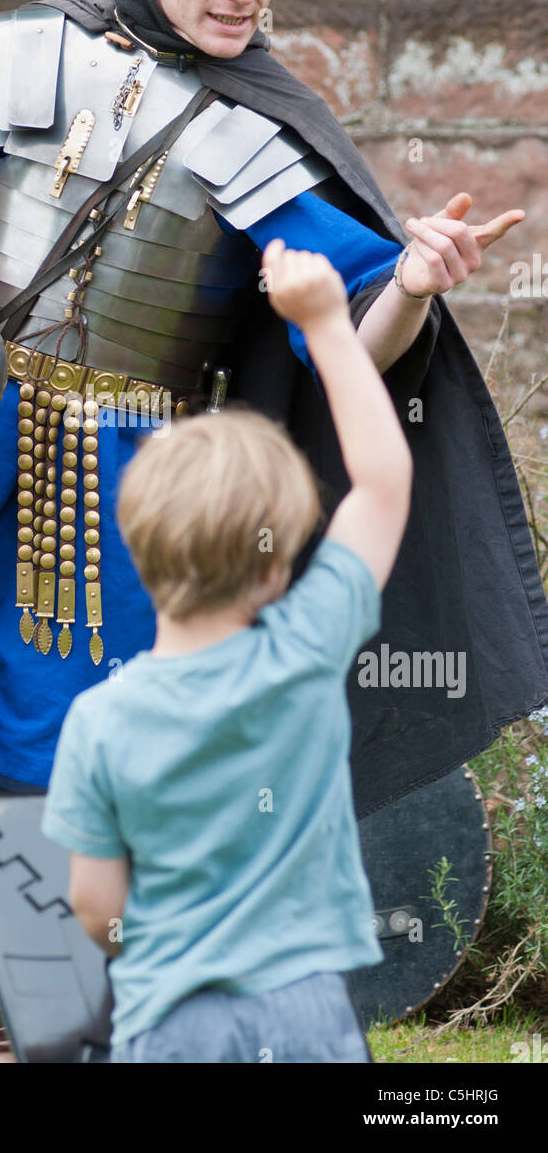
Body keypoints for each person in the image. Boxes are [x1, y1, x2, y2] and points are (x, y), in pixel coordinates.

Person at [0, 0, 548, 1063]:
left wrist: (416, 282)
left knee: (43, 790)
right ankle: (1, 1021)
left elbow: (343, 344)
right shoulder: (21, 58)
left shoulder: (263, 131)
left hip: (111, 490)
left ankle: (63, 1031)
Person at [41, 237, 412, 1063]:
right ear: (276, 567)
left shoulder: (99, 721)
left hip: (169, 1021)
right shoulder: (306, 648)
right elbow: (384, 479)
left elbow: (94, 901)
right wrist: (323, 324)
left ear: (136, 554)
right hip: (306, 1014)